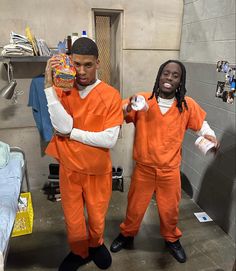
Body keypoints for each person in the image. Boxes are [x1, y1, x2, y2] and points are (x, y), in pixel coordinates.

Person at [110, 60, 220, 263]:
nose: (169, 78)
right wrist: (128, 106)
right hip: (144, 168)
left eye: (175, 75)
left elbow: (201, 125)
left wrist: (210, 135)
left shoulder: (186, 105)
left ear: (180, 81)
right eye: (166, 73)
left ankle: (171, 239)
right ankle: (127, 235)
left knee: (169, 210)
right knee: (134, 207)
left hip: (169, 171)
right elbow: (117, 113)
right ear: (159, 76)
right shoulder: (143, 100)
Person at [44, 37, 123, 271]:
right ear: (70, 62)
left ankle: (96, 244)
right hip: (69, 168)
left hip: (97, 170)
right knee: (73, 216)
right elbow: (61, 126)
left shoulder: (110, 95)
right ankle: (79, 251)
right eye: (76, 64)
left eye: (87, 65)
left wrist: (73, 134)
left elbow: (109, 138)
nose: (81, 71)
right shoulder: (62, 90)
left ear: (98, 63)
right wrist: (49, 87)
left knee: (97, 216)